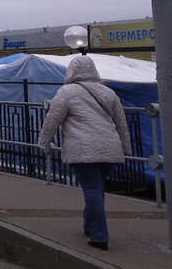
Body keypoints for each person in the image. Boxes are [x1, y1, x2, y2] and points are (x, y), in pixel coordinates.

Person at [37, 55, 131, 250]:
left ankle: (99, 236)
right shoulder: (108, 92)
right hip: (109, 147)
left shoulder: (67, 92)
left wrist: (44, 142)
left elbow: (53, 119)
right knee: (97, 187)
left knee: (92, 188)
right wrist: (126, 147)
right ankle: (90, 225)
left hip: (82, 148)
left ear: (71, 70)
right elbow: (121, 124)